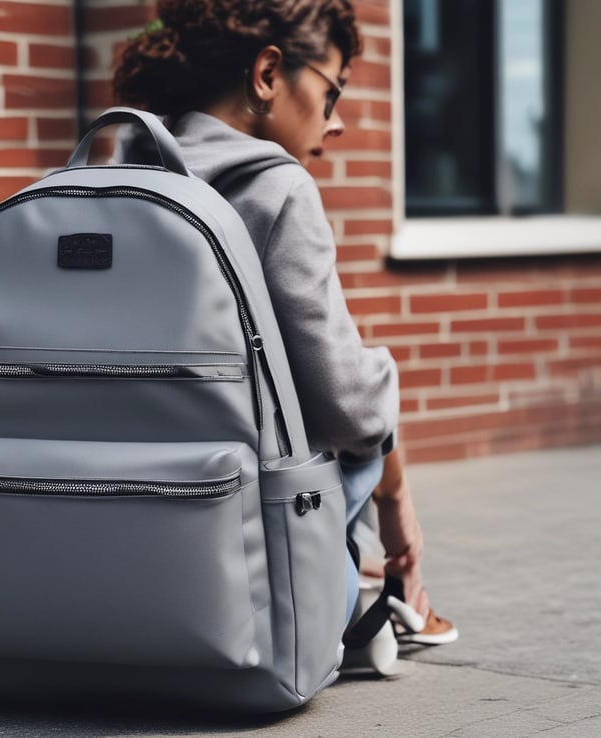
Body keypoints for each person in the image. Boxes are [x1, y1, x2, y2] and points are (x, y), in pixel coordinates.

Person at [112, 0, 457, 654]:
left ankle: (353, 589)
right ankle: (368, 598)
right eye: (332, 92)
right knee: (367, 408)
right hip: (225, 545)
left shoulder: (115, 174)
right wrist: (395, 488)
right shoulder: (279, 191)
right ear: (268, 73)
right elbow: (347, 406)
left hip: (100, 524)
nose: (340, 121)